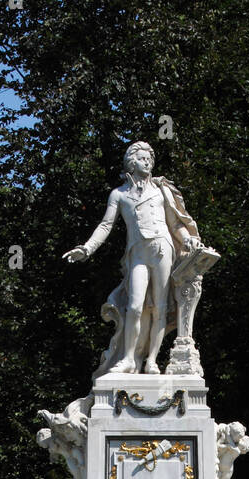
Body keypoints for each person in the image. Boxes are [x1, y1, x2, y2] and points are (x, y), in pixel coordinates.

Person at [63, 141, 202, 374]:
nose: (147, 161)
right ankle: (128, 358)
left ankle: (152, 361)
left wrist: (187, 238)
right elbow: (106, 225)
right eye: (142, 158)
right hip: (137, 253)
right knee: (135, 306)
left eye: (150, 158)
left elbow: (176, 223)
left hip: (162, 248)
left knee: (160, 307)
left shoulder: (160, 191)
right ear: (131, 161)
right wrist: (87, 248)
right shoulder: (119, 194)